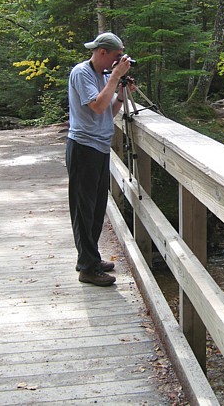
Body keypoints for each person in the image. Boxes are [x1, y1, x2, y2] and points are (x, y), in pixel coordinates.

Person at [66, 31, 133, 287]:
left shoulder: (104, 75)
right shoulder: (82, 72)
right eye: (116, 57)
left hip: (100, 147)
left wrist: (122, 92)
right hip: (83, 147)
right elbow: (96, 106)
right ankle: (87, 268)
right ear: (102, 52)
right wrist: (116, 77)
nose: (118, 63)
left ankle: (89, 258)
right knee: (84, 209)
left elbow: (109, 110)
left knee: (95, 208)